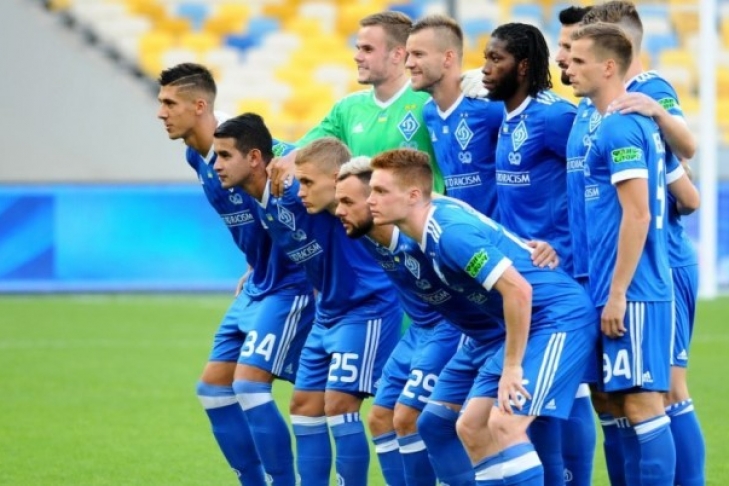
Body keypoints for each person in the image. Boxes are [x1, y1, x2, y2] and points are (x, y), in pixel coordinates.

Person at [368, 148, 598, 486]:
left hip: (558, 320)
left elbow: (519, 291)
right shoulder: (430, 225)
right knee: (470, 427)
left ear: (414, 195)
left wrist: (512, 367)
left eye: (380, 191)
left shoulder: (450, 235)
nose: (370, 200)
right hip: (524, 324)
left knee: (506, 424)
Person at [213, 122, 402, 486]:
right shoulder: (277, 202)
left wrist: (298, 156)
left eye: (308, 182)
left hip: (366, 310)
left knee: (341, 405)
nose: (301, 190)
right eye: (299, 181)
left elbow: (363, 175)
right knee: (304, 406)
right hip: (326, 313)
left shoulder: (332, 203)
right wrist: (255, 268)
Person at [156, 64, 315, 486]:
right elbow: (255, 216)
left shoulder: (258, 151)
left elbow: (311, 179)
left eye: (169, 103)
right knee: (212, 389)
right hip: (261, 281)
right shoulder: (196, 156)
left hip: (293, 283)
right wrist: (253, 262)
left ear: (199, 106)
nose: (161, 113)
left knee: (249, 386)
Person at [580, 4, 705, 485]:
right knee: (617, 397)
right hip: (617, 264)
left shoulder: (647, 93)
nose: (568, 57)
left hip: (658, 261)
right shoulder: (593, 111)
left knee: (664, 391)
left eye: (580, 48)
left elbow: (686, 158)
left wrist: (657, 113)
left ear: (616, 51)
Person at [566, 21, 680, 485]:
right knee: (615, 403)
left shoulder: (619, 127)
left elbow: (638, 214)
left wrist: (617, 294)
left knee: (642, 404)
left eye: (579, 61)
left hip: (634, 290)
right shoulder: (613, 123)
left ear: (609, 67)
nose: (568, 68)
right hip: (611, 285)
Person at [481, 22, 588, 485]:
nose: (485, 69)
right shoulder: (506, 115)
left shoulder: (554, 116)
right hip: (521, 277)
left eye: (496, 59)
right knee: (539, 397)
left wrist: (563, 247)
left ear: (523, 66)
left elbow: (594, 181)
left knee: (570, 393)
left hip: (559, 277)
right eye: (485, 58)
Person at [335, 156, 463, 486]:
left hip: (449, 327)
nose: (339, 211)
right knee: (380, 418)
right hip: (418, 331)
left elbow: (444, 208)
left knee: (408, 418)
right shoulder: (364, 233)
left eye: (347, 202)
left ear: (375, 200)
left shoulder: (417, 232)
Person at [293, 11, 444, 193]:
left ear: (397, 54)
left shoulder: (430, 101)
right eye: (358, 48)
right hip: (365, 211)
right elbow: (298, 152)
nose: (357, 56)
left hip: (420, 210)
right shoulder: (346, 108)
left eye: (368, 49)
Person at [554, 7, 603, 486]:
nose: (561, 56)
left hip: (613, 275)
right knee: (597, 395)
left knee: (657, 398)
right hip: (576, 269)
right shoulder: (580, 113)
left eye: (570, 48)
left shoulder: (637, 101)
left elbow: (684, 185)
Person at [405, 14, 503, 218]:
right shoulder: (429, 112)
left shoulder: (488, 105)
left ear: (448, 58)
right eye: (408, 55)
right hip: (463, 233)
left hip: (500, 233)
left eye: (418, 54)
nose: (409, 63)